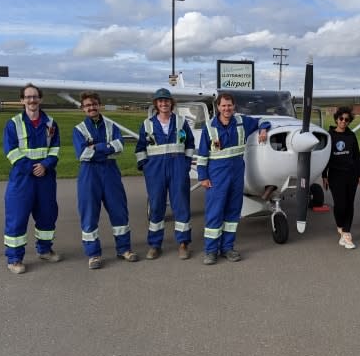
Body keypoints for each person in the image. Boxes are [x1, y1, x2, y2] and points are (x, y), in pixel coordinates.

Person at [197, 92, 270, 265]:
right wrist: (203, 177)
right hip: (216, 176)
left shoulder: (242, 122)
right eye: (223, 105)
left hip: (236, 175)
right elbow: (202, 155)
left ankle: (228, 248)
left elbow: (261, 120)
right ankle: (210, 251)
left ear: (234, 106)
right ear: (218, 107)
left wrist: (263, 129)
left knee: (232, 213)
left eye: (229, 105)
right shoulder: (210, 127)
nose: (227, 108)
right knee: (215, 213)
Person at [72, 92, 139, 269]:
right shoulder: (79, 129)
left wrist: (96, 147)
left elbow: (119, 147)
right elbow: (83, 154)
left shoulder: (111, 125)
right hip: (89, 175)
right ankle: (93, 254)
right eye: (87, 105)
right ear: (82, 108)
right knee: (89, 214)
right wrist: (106, 148)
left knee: (119, 210)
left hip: (110, 172)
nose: (91, 108)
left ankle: (124, 249)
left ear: (99, 105)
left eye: (94, 104)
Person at [3, 83, 61, 274]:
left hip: (45, 177)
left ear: (40, 99)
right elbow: (11, 151)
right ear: (22, 100)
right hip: (22, 178)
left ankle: (44, 250)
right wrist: (31, 167)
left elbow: (55, 150)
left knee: (47, 215)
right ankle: (14, 259)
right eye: (28, 97)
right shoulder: (13, 123)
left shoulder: (51, 123)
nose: (32, 100)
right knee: (17, 217)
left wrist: (45, 165)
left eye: (35, 96)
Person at [135, 88, 195, 260]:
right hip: (155, 171)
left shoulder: (181, 122)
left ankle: (183, 243)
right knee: (156, 207)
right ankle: (155, 244)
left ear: (171, 103)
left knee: (181, 205)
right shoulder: (147, 124)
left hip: (178, 168)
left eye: (166, 100)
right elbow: (140, 148)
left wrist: (185, 164)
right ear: (156, 104)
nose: (163, 104)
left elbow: (189, 144)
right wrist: (145, 166)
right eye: (160, 101)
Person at [322, 106, 360, 249]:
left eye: (347, 120)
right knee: (340, 205)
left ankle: (346, 233)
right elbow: (325, 157)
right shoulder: (329, 136)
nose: (344, 121)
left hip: (351, 175)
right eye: (341, 119)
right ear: (336, 119)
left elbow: (357, 156)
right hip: (335, 175)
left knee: (349, 204)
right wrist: (324, 175)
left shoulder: (351, 136)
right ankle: (340, 225)